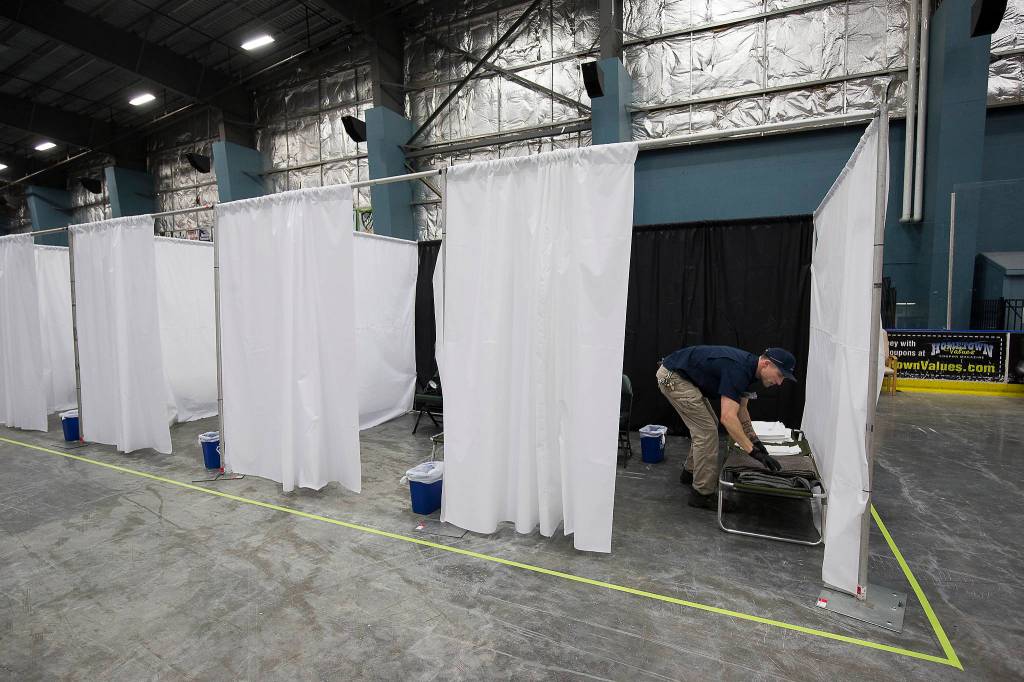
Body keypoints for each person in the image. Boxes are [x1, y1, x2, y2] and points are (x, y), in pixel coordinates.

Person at [656, 345, 798, 510]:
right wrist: (753, 452)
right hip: (673, 377)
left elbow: (741, 411)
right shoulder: (739, 370)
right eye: (780, 375)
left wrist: (755, 441)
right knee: (706, 432)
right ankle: (702, 495)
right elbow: (728, 418)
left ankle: (690, 472)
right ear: (766, 364)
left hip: (682, 375)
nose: (780, 382)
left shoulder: (752, 373)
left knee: (709, 426)